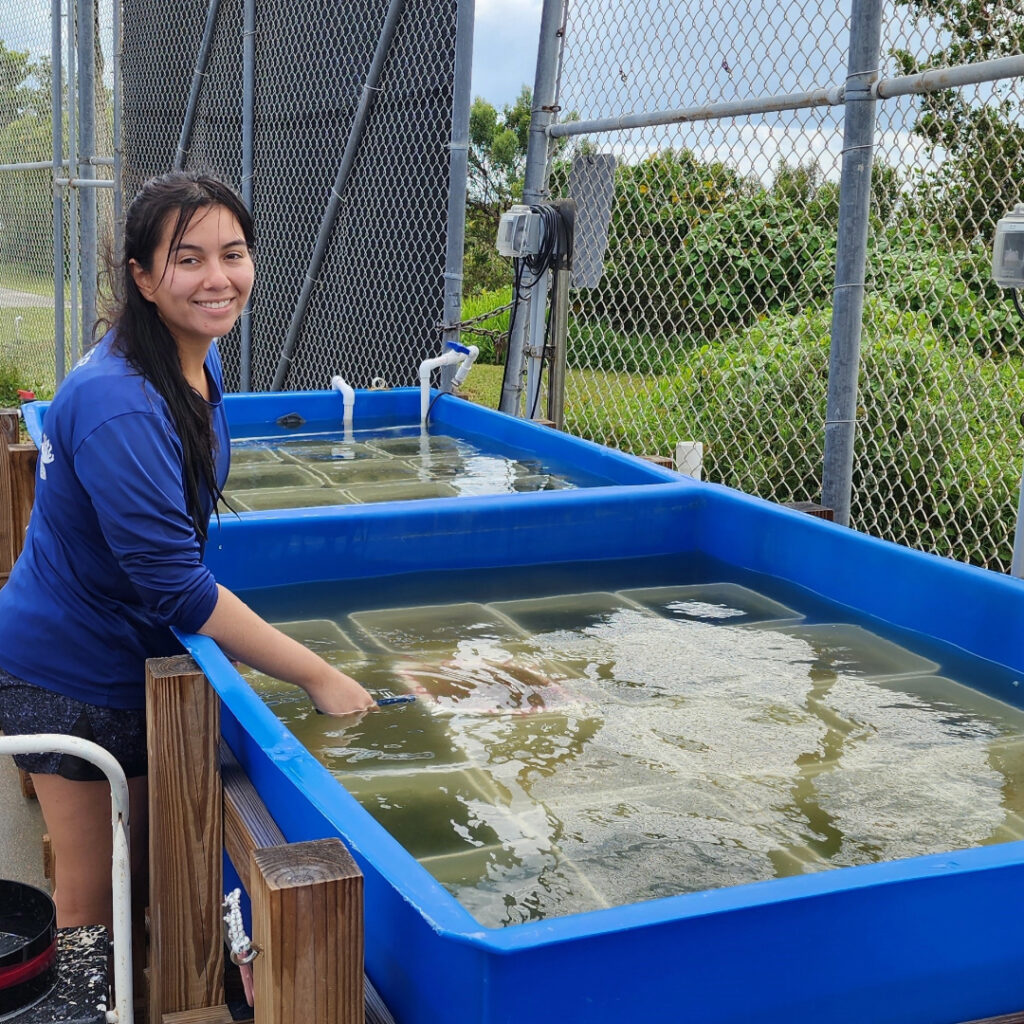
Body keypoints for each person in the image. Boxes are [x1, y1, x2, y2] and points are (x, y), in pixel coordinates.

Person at [0, 170, 375, 940]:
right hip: (70, 674)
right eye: (189, 258)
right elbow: (178, 587)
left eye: (232, 254)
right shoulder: (120, 400)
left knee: (141, 877)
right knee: (94, 906)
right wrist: (320, 674)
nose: (218, 278)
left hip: (125, 649)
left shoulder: (189, 359)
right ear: (141, 277)